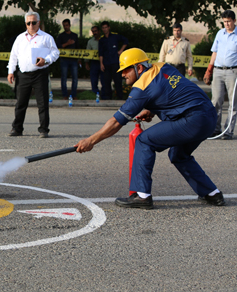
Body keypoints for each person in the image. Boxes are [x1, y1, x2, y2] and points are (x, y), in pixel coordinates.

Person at [75, 48, 224, 209]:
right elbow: (174, 91)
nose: (123, 74)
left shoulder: (141, 88)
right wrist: (152, 110)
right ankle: (212, 194)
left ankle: (142, 195)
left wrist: (91, 141)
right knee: (179, 155)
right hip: (208, 117)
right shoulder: (163, 67)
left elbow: (116, 122)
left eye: (125, 70)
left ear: (139, 68)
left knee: (144, 141)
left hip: (192, 120)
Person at [7, 11, 60, 138]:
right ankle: (17, 128)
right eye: (28, 23)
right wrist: (11, 71)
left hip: (40, 74)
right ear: (25, 24)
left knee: (42, 103)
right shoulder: (20, 38)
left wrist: (46, 60)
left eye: (34, 23)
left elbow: (55, 53)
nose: (31, 26)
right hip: (23, 74)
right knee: (20, 103)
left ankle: (43, 129)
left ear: (39, 23)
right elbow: (13, 56)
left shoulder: (46, 38)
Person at [203, 10, 237, 140]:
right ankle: (214, 129)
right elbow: (214, 52)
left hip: (233, 72)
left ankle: (228, 131)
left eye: (229, 21)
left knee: (233, 103)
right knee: (216, 101)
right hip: (218, 71)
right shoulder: (220, 34)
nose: (227, 24)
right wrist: (209, 69)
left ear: (234, 21)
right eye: (224, 22)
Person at [98, 21, 128, 100]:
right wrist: (101, 63)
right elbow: (100, 53)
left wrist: (121, 50)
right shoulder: (102, 40)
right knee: (106, 82)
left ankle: (120, 98)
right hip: (106, 62)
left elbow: (125, 41)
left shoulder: (115, 36)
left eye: (106, 27)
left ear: (109, 28)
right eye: (103, 28)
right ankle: (108, 99)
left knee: (117, 81)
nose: (104, 29)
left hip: (115, 62)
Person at [56, 19, 81, 98]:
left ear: (70, 25)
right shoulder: (61, 36)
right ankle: (65, 95)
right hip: (64, 60)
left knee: (75, 78)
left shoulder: (74, 35)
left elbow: (78, 48)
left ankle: (73, 95)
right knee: (64, 78)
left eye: (67, 25)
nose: (65, 27)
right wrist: (67, 43)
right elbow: (58, 47)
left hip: (73, 60)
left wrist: (79, 59)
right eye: (64, 25)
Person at [85, 25, 102, 95]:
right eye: (93, 31)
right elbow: (87, 52)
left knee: (104, 79)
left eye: (95, 31)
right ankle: (95, 93)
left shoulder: (103, 40)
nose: (94, 33)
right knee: (94, 79)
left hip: (104, 62)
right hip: (94, 62)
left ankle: (104, 94)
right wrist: (86, 63)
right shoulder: (90, 42)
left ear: (99, 31)